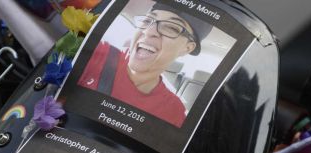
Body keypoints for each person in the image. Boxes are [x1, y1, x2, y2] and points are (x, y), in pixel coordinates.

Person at [78, 3, 212, 127]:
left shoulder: (173, 111)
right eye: (147, 21)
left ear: (187, 48)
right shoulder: (94, 54)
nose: (149, 31)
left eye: (171, 27)